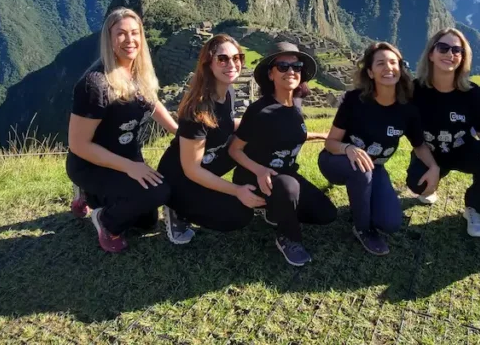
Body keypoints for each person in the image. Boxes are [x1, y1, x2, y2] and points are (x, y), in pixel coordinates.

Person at [67, 8, 179, 253]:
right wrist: (130, 167)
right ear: (109, 39)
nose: (130, 40)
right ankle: (105, 221)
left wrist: (176, 130)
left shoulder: (140, 73)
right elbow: (79, 144)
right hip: (91, 163)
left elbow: (151, 101)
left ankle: (93, 197)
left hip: (127, 156)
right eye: (121, 34)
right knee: (156, 193)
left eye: (135, 33)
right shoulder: (95, 84)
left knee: (147, 222)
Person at [319, 42, 436, 255]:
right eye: (380, 63)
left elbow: (419, 145)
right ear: (370, 72)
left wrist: (433, 167)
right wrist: (348, 149)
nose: (388, 68)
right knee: (361, 172)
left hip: (374, 166)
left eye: (393, 63)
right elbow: (330, 143)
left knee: (390, 223)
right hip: (335, 161)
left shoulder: (407, 108)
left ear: (400, 69)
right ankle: (362, 229)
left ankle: (365, 201)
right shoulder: (355, 100)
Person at [229, 42, 336, 266]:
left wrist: (321, 135)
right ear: (271, 73)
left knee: (326, 215)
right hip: (256, 176)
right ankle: (288, 237)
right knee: (289, 188)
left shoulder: (295, 105)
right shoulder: (260, 111)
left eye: (296, 66)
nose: (291, 71)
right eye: (283, 66)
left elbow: (291, 134)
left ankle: (276, 209)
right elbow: (235, 149)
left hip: (285, 175)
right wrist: (259, 170)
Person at [156, 34, 264, 245]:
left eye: (237, 58)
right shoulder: (196, 111)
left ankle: (252, 186)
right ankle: (176, 209)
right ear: (208, 64)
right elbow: (191, 170)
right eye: (222, 59)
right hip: (180, 179)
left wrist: (258, 125)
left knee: (253, 140)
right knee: (238, 216)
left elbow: (224, 124)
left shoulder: (227, 92)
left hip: (209, 161)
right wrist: (237, 191)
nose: (232, 64)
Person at [406, 28, 480, 238]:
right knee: (418, 185)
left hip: (462, 150)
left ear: (462, 57)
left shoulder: (471, 92)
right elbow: (388, 108)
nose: (450, 54)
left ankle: (475, 209)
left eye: (457, 50)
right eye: (443, 48)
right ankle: (432, 182)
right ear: (431, 54)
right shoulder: (414, 90)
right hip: (428, 152)